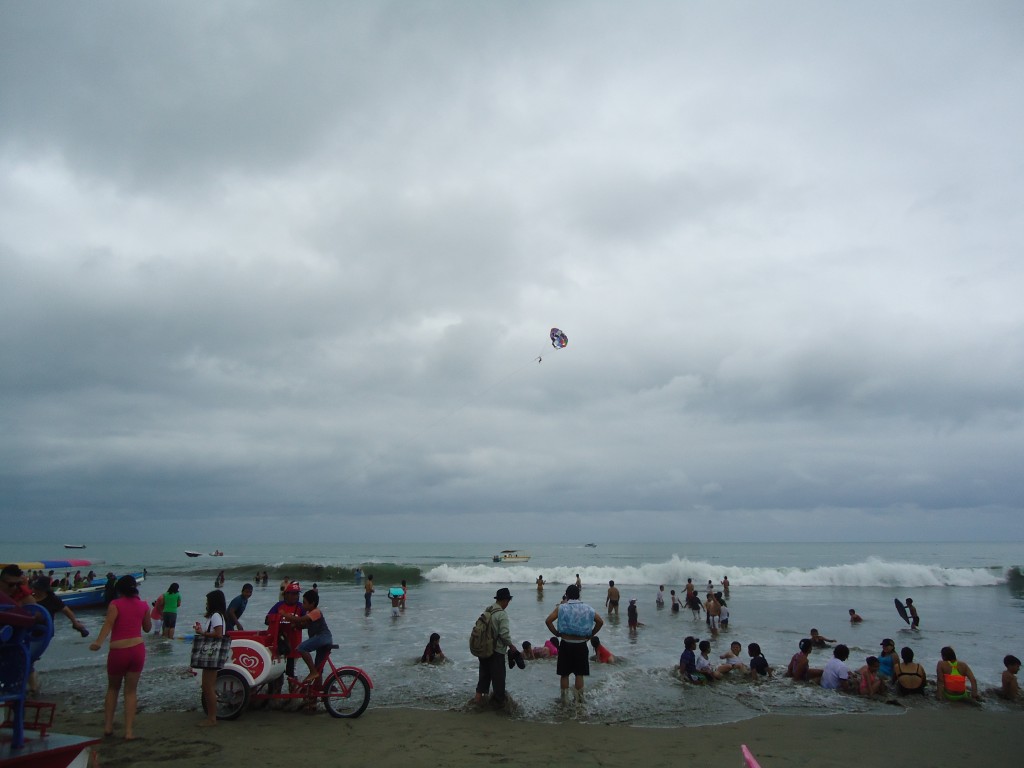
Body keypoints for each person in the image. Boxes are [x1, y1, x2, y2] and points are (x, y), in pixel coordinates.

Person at [89, 575, 151, 740]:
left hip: (119, 651)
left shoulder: (115, 604)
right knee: (131, 691)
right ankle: (129, 732)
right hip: (137, 650)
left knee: (113, 688)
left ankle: (108, 727)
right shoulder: (144, 605)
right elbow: (147, 628)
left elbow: (108, 624)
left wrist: (98, 642)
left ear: (119, 590)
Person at [545, 584, 603, 703]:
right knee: (579, 674)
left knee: (564, 674)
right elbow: (600, 622)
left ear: (567, 595)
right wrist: (591, 634)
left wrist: (556, 633)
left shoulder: (561, 608)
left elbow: (548, 621)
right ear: (579, 595)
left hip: (566, 643)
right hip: (581, 644)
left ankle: (564, 700)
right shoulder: (588, 608)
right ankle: (579, 700)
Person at [474, 587, 519, 708]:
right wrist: (511, 646)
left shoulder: (488, 610)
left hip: (483, 650)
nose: (508, 604)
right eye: (508, 601)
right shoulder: (502, 614)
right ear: (505, 600)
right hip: (496, 652)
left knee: (483, 681)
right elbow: (504, 634)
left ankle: (476, 704)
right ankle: (498, 710)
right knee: (498, 682)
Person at [195, 589, 227, 727]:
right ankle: (211, 717)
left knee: (208, 686)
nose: (206, 604)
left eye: (207, 601)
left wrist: (203, 633)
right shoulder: (218, 616)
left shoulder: (215, 616)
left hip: (212, 653)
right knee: (208, 686)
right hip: (214, 653)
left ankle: (212, 718)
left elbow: (218, 634)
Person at [287, 590, 333, 684]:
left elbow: (299, 619)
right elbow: (303, 625)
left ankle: (312, 672)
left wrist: (284, 614)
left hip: (323, 637)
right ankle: (317, 691)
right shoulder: (311, 613)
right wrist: (296, 626)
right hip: (324, 640)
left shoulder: (315, 612)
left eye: (304, 602)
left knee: (301, 648)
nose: (302, 605)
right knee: (318, 668)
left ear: (312, 603)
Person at [266, 581, 306, 678]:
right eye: (293, 594)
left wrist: (297, 625)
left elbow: (307, 623)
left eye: (297, 594)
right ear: (287, 594)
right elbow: (267, 620)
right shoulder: (278, 606)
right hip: (279, 643)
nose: (296, 596)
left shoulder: (301, 607)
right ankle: (277, 691)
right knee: (277, 671)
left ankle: (293, 691)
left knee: (292, 671)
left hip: (294, 643)